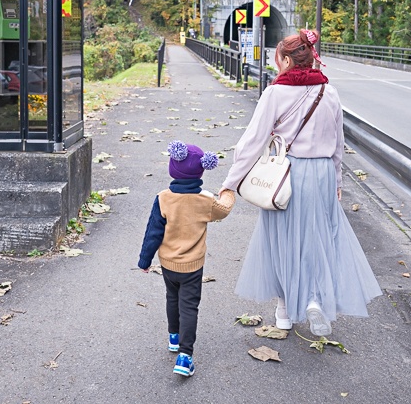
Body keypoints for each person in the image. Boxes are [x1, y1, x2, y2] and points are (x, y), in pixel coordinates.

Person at [221, 29, 381, 336]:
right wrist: (337, 180)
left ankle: (283, 312)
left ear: (285, 60)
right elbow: (338, 143)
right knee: (319, 240)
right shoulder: (329, 92)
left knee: (283, 241)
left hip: (287, 175)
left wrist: (231, 182)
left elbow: (253, 142)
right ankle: (314, 299)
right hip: (322, 174)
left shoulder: (275, 93)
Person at [138, 141, 236, 377]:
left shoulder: (163, 198)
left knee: (172, 298)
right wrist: (228, 191)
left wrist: (144, 261)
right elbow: (224, 210)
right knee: (189, 306)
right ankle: (185, 355)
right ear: (202, 170)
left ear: (173, 167)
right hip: (192, 266)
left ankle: (174, 337)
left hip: (168, 263)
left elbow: (153, 232)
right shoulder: (205, 201)